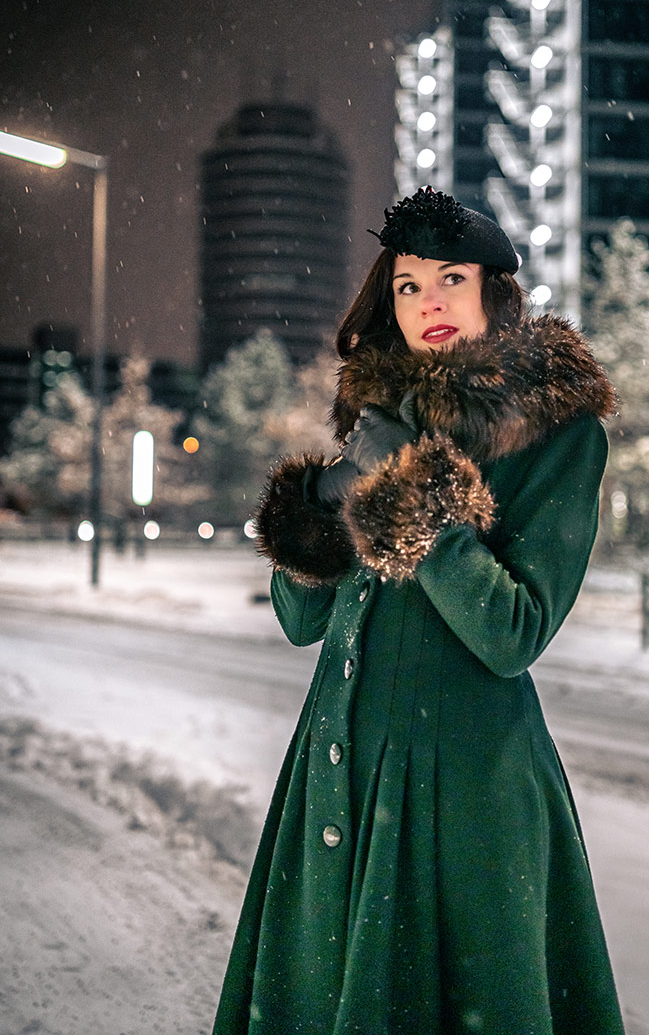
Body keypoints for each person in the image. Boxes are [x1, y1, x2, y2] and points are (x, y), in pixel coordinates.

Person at [212, 186, 625, 1034]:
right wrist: (323, 509)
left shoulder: (555, 434)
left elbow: (513, 633)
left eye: (451, 279)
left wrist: (411, 491)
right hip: (339, 774)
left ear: (494, 294)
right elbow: (301, 621)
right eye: (406, 286)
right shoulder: (379, 418)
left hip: (462, 799)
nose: (428, 302)